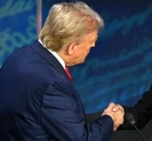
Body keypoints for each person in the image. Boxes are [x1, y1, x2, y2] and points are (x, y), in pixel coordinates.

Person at [0, 1, 124, 141]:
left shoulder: (18, 56)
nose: (93, 45)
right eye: (90, 43)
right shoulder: (52, 84)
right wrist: (110, 120)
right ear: (72, 48)